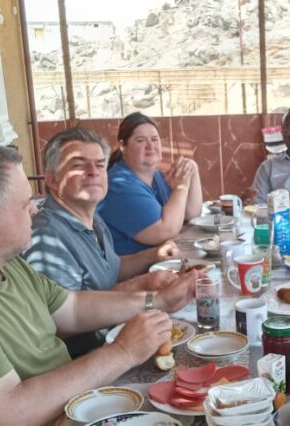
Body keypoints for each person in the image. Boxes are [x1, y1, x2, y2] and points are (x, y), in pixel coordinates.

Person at [0, 142, 200, 425]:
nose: (34, 210)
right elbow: (9, 411)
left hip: (75, 406)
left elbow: (73, 307)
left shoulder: (8, 263)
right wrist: (122, 352)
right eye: (25, 203)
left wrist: (158, 301)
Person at [22, 127, 185, 356]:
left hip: (119, 337)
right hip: (89, 357)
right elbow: (62, 323)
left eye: (99, 164)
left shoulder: (92, 217)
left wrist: (153, 256)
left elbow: (112, 268)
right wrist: (141, 290)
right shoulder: (47, 237)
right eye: (79, 165)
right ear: (52, 180)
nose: (93, 172)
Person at [98, 112, 203, 255]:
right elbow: (165, 231)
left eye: (155, 139)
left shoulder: (157, 176)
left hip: (162, 264)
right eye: (141, 140)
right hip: (135, 273)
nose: (150, 146)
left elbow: (191, 214)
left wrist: (192, 169)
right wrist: (181, 188)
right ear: (123, 146)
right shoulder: (118, 185)